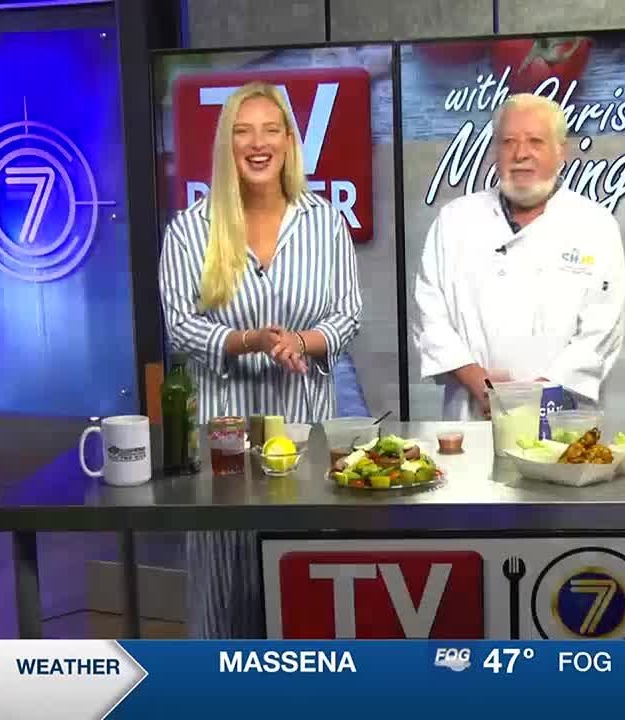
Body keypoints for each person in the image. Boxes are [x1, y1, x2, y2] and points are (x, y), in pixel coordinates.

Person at [158, 82, 362, 638]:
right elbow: (180, 328)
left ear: (291, 143)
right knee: (223, 606)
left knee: (303, 600)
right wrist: (248, 340)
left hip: (304, 443)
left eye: (272, 130)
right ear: (226, 145)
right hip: (225, 448)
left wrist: (303, 342)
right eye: (243, 131)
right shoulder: (189, 231)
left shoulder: (325, 224)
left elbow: (348, 316)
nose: (258, 143)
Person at [413, 93, 625, 420]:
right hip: (474, 415)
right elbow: (430, 314)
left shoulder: (596, 226)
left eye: (536, 142)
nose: (521, 154)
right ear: (494, 153)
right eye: (508, 142)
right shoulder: (454, 221)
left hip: (563, 419)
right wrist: (474, 377)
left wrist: (540, 394)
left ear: (561, 153)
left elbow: (603, 330)